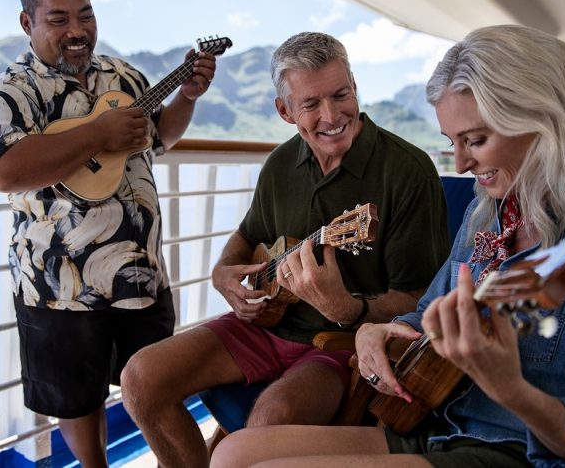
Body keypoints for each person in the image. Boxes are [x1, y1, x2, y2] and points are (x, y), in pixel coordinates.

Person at [209, 24, 565, 468]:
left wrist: (511, 389)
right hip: (434, 423)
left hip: (515, 447)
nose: (461, 163)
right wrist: (373, 330)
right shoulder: (490, 212)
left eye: (475, 140)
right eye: (452, 143)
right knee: (231, 455)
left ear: (547, 123)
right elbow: (425, 310)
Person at [120, 31, 450, 468]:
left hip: (338, 343)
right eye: (311, 104)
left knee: (269, 425)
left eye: (341, 94)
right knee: (141, 378)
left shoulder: (408, 172)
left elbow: (420, 301)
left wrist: (347, 307)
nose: (332, 115)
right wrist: (223, 275)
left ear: (355, 86)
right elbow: (247, 235)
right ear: (285, 111)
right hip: (266, 325)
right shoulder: (280, 165)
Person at [0, 0, 216, 468]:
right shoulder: (13, 92)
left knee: (154, 384)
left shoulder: (124, 76)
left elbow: (160, 139)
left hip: (140, 271)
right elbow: (4, 172)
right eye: (59, 19)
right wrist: (97, 135)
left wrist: (188, 96)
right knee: (77, 398)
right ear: (28, 23)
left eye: (85, 15)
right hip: (60, 284)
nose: (77, 30)